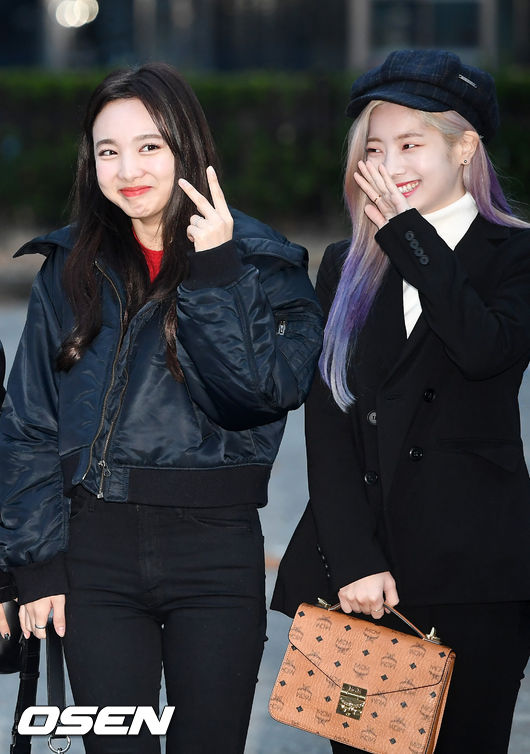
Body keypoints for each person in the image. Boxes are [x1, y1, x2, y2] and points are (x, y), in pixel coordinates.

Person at [0, 62, 323, 753]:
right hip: (95, 554)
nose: (127, 169)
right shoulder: (69, 266)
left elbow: (261, 394)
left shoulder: (262, 262)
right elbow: (28, 423)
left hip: (217, 553)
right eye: (107, 150)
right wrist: (33, 564)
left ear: (187, 145)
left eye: (149, 145)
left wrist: (217, 272)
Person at [272, 49, 530, 754]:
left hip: (478, 571)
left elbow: (484, 349)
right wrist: (352, 558)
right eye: (374, 149)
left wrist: (408, 236)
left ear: (464, 147)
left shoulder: (515, 254)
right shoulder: (345, 265)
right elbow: (328, 425)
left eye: (410, 145)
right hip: (363, 577)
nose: (389, 164)